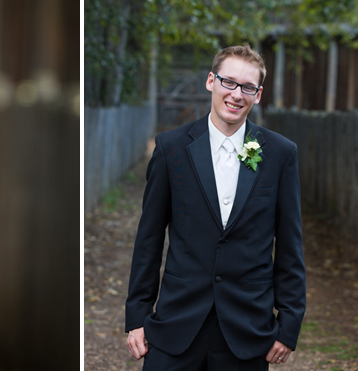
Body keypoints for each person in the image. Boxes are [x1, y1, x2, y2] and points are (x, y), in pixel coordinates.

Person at [125, 44, 306, 370]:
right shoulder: (170, 148)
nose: (236, 94)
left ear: (258, 95)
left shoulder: (281, 154)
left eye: (247, 87)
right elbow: (149, 239)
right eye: (229, 82)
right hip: (176, 325)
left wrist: (289, 324)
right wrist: (137, 315)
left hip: (246, 330)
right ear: (211, 81)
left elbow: (290, 246)